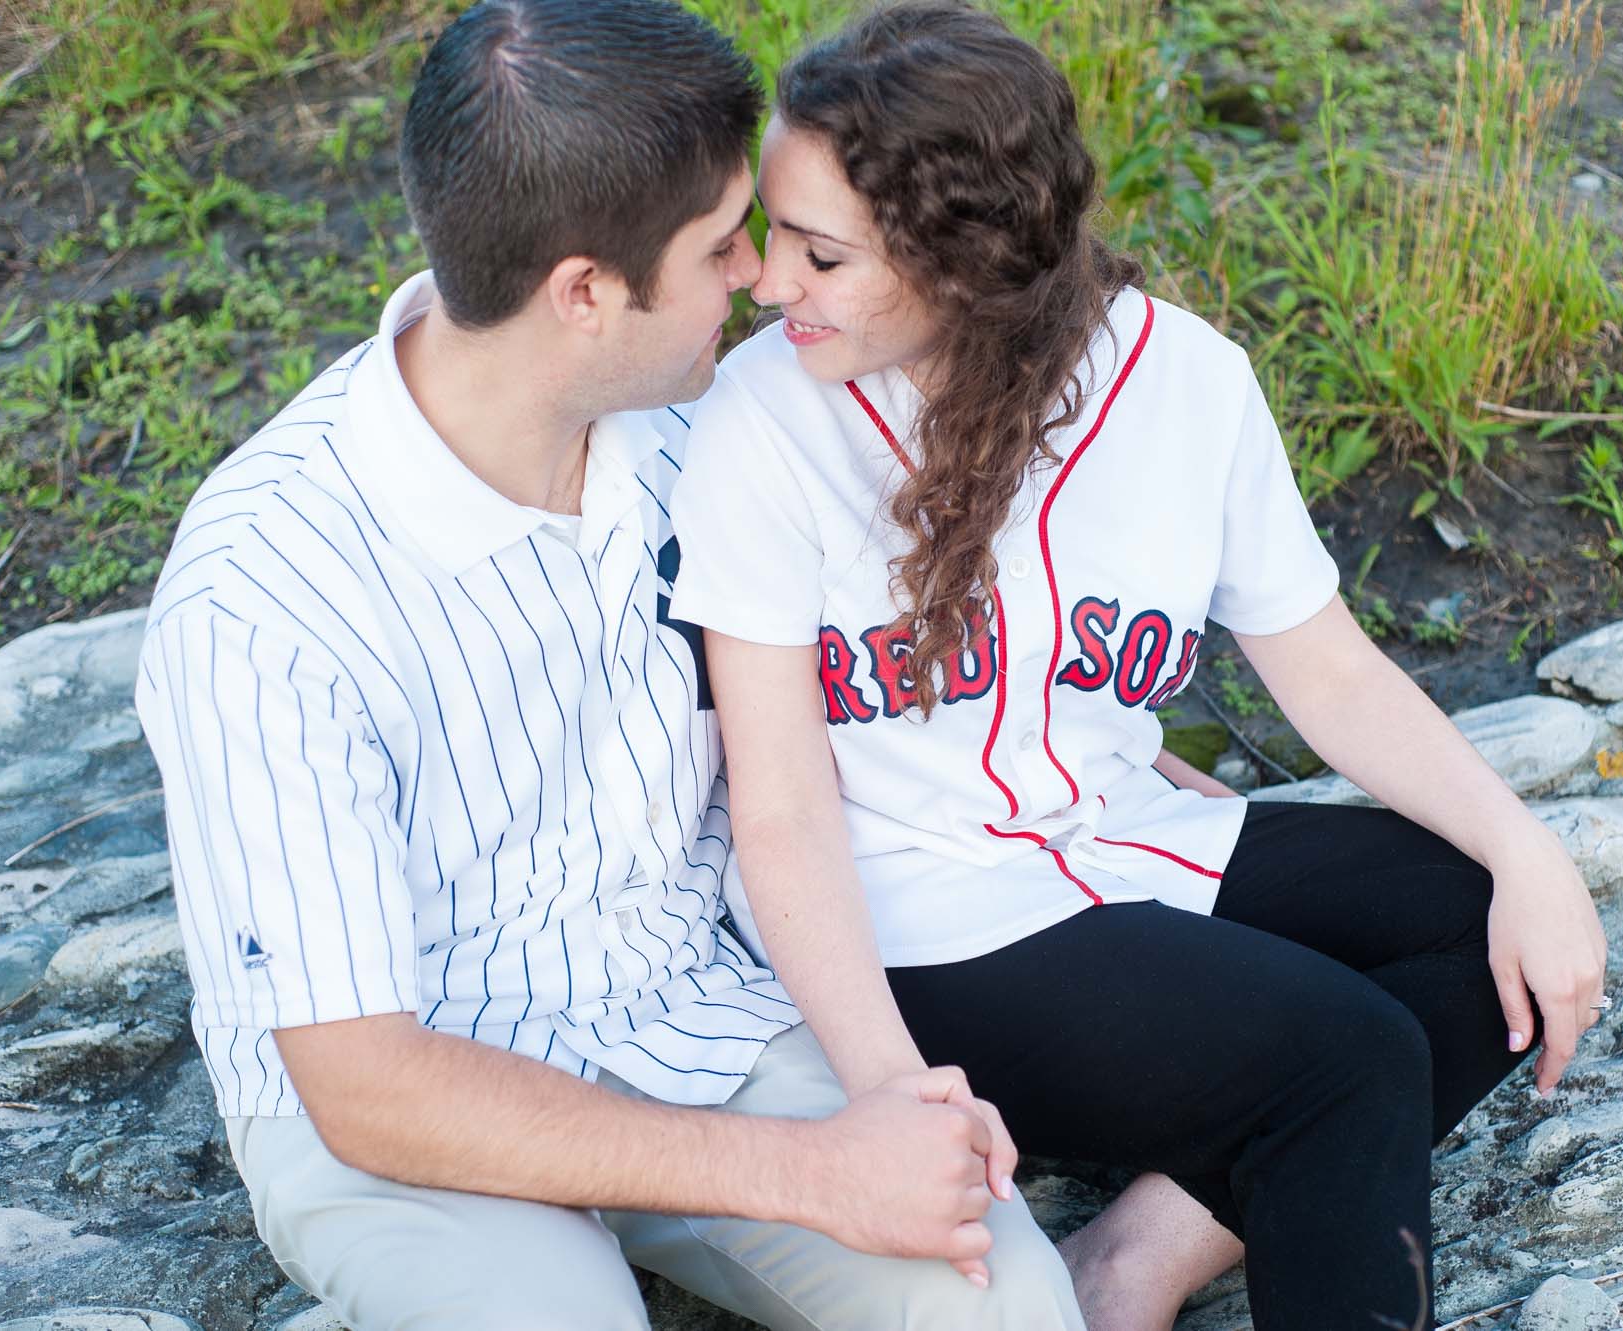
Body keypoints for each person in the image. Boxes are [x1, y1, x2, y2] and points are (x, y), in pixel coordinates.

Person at [131, 2, 1086, 1327]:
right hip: (414, 1111)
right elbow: (363, 1078)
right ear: (583, 292)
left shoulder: (710, 430)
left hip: (697, 1010)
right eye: (716, 247)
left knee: (1008, 1307)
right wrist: (810, 1171)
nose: (760, 277)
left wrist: (1118, 775)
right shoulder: (265, 591)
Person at [665, 5, 1611, 1330]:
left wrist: (1533, 857)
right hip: (910, 920)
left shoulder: (1185, 384)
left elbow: (1326, 673)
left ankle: (1132, 1261)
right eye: (777, 239)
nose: (771, 286)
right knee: (1343, 1056)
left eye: (821, 255)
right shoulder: (763, 419)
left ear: (965, 261)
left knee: (1485, 934)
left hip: (1126, 842)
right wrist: (885, 1086)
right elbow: (775, 805)